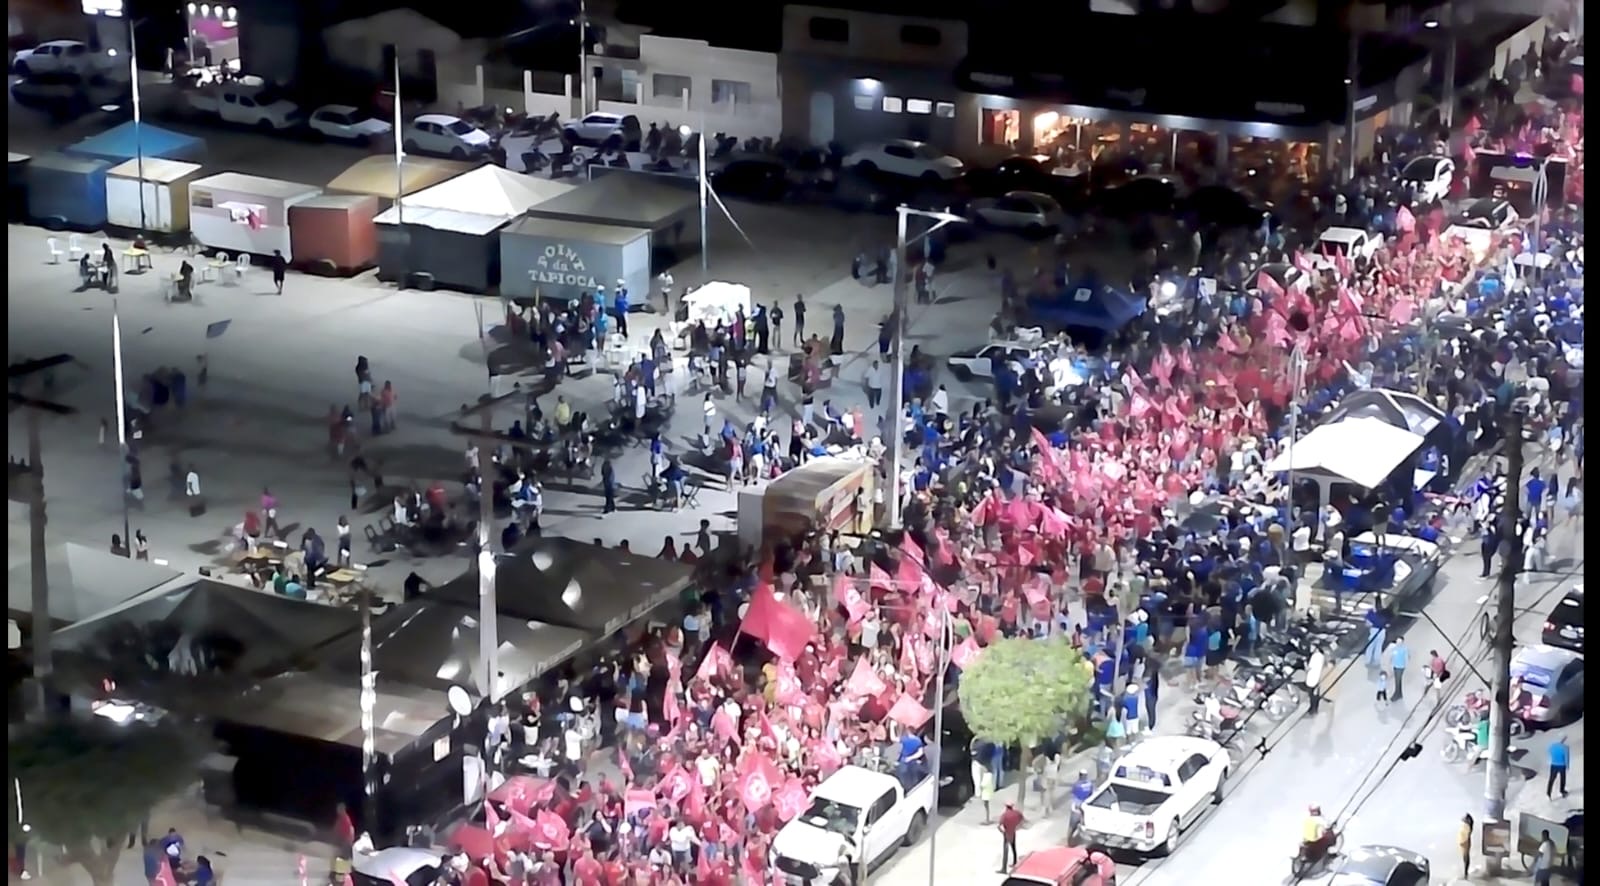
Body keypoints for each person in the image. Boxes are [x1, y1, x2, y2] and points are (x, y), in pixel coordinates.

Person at [996, 802, 1023, 873]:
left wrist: (1003, 832)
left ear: (1006, 807)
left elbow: (999, 826)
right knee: (1014, 847)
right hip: (1013, 832)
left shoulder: (1004, 815)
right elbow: (1022, 818)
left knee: (1006, 851)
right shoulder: (1016, 813)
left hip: (1007, 834)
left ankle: (1004, 869)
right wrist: (1018, 826)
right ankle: (1015, 862)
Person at [1458, 814, 1474, 880]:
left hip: (1465, 843)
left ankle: (1465, 874)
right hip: (1465, 843)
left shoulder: (1466, 827)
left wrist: (1462, 843)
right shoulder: (1467, 826)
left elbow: (1465, 836)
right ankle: (1465, 873)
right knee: (1466, 858)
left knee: (1466, 858)